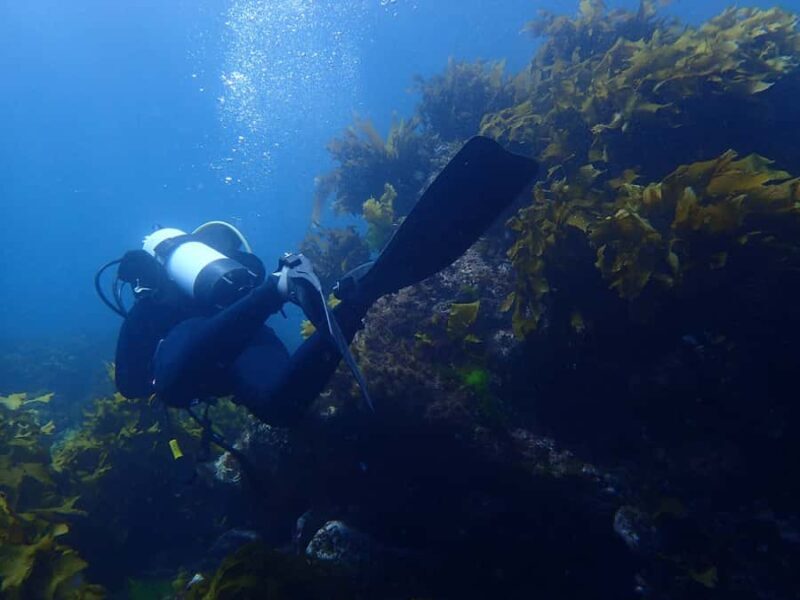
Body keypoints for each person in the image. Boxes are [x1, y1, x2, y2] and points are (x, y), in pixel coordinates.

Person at [101, 137, 538, 428]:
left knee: (177, 385)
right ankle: (356, 300)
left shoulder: (151, 308)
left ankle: (277, 289)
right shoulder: (205, 286)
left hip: (208, 335)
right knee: (279, 405)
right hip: (246, 327)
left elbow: (135, 385)